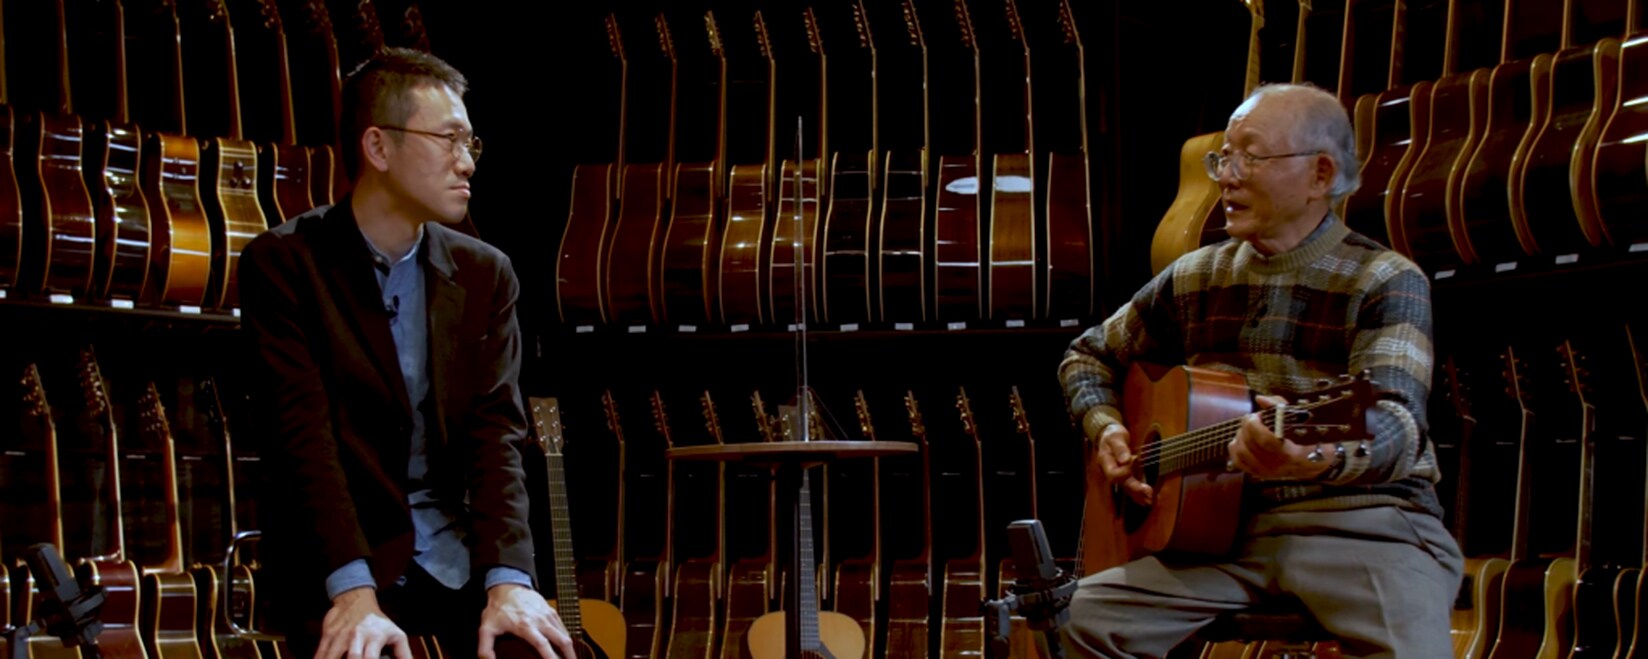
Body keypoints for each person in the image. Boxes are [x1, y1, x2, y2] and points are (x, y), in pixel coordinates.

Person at [1057, 83, 1464, 658]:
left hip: (1365, 525)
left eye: (1250, 157)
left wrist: (1312, 457)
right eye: (1223, 158)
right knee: (1076, 621)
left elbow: (1395, 422)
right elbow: (1087, 355)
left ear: (1320, 175)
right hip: (1222, 541)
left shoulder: (1385, 279)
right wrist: (1107, 428)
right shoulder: (1196, 275)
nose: (1227, 177)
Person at [239, 47, 574, 659]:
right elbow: (303, 441)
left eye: (471, 144)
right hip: (342, 564)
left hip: (452, 560)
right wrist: (352, 591)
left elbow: (496, 436)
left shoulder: (485, 272)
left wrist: (509, 581)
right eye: (448, 140)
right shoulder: (285, 264)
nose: (466, 161)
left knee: (542, 647)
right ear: (378, 147)